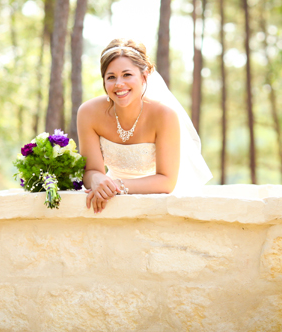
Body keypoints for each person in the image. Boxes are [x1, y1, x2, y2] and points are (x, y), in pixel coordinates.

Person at [77, 38, 212, 213]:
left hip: (157, 204)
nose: (119, 84)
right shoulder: (88, 112)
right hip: (109, 202)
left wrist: (117, 185)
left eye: (127, 75)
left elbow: (166, 181)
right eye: (111, 77)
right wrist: (96, 179)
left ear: (144, 76)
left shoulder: (165, 115)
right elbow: (92, 171)